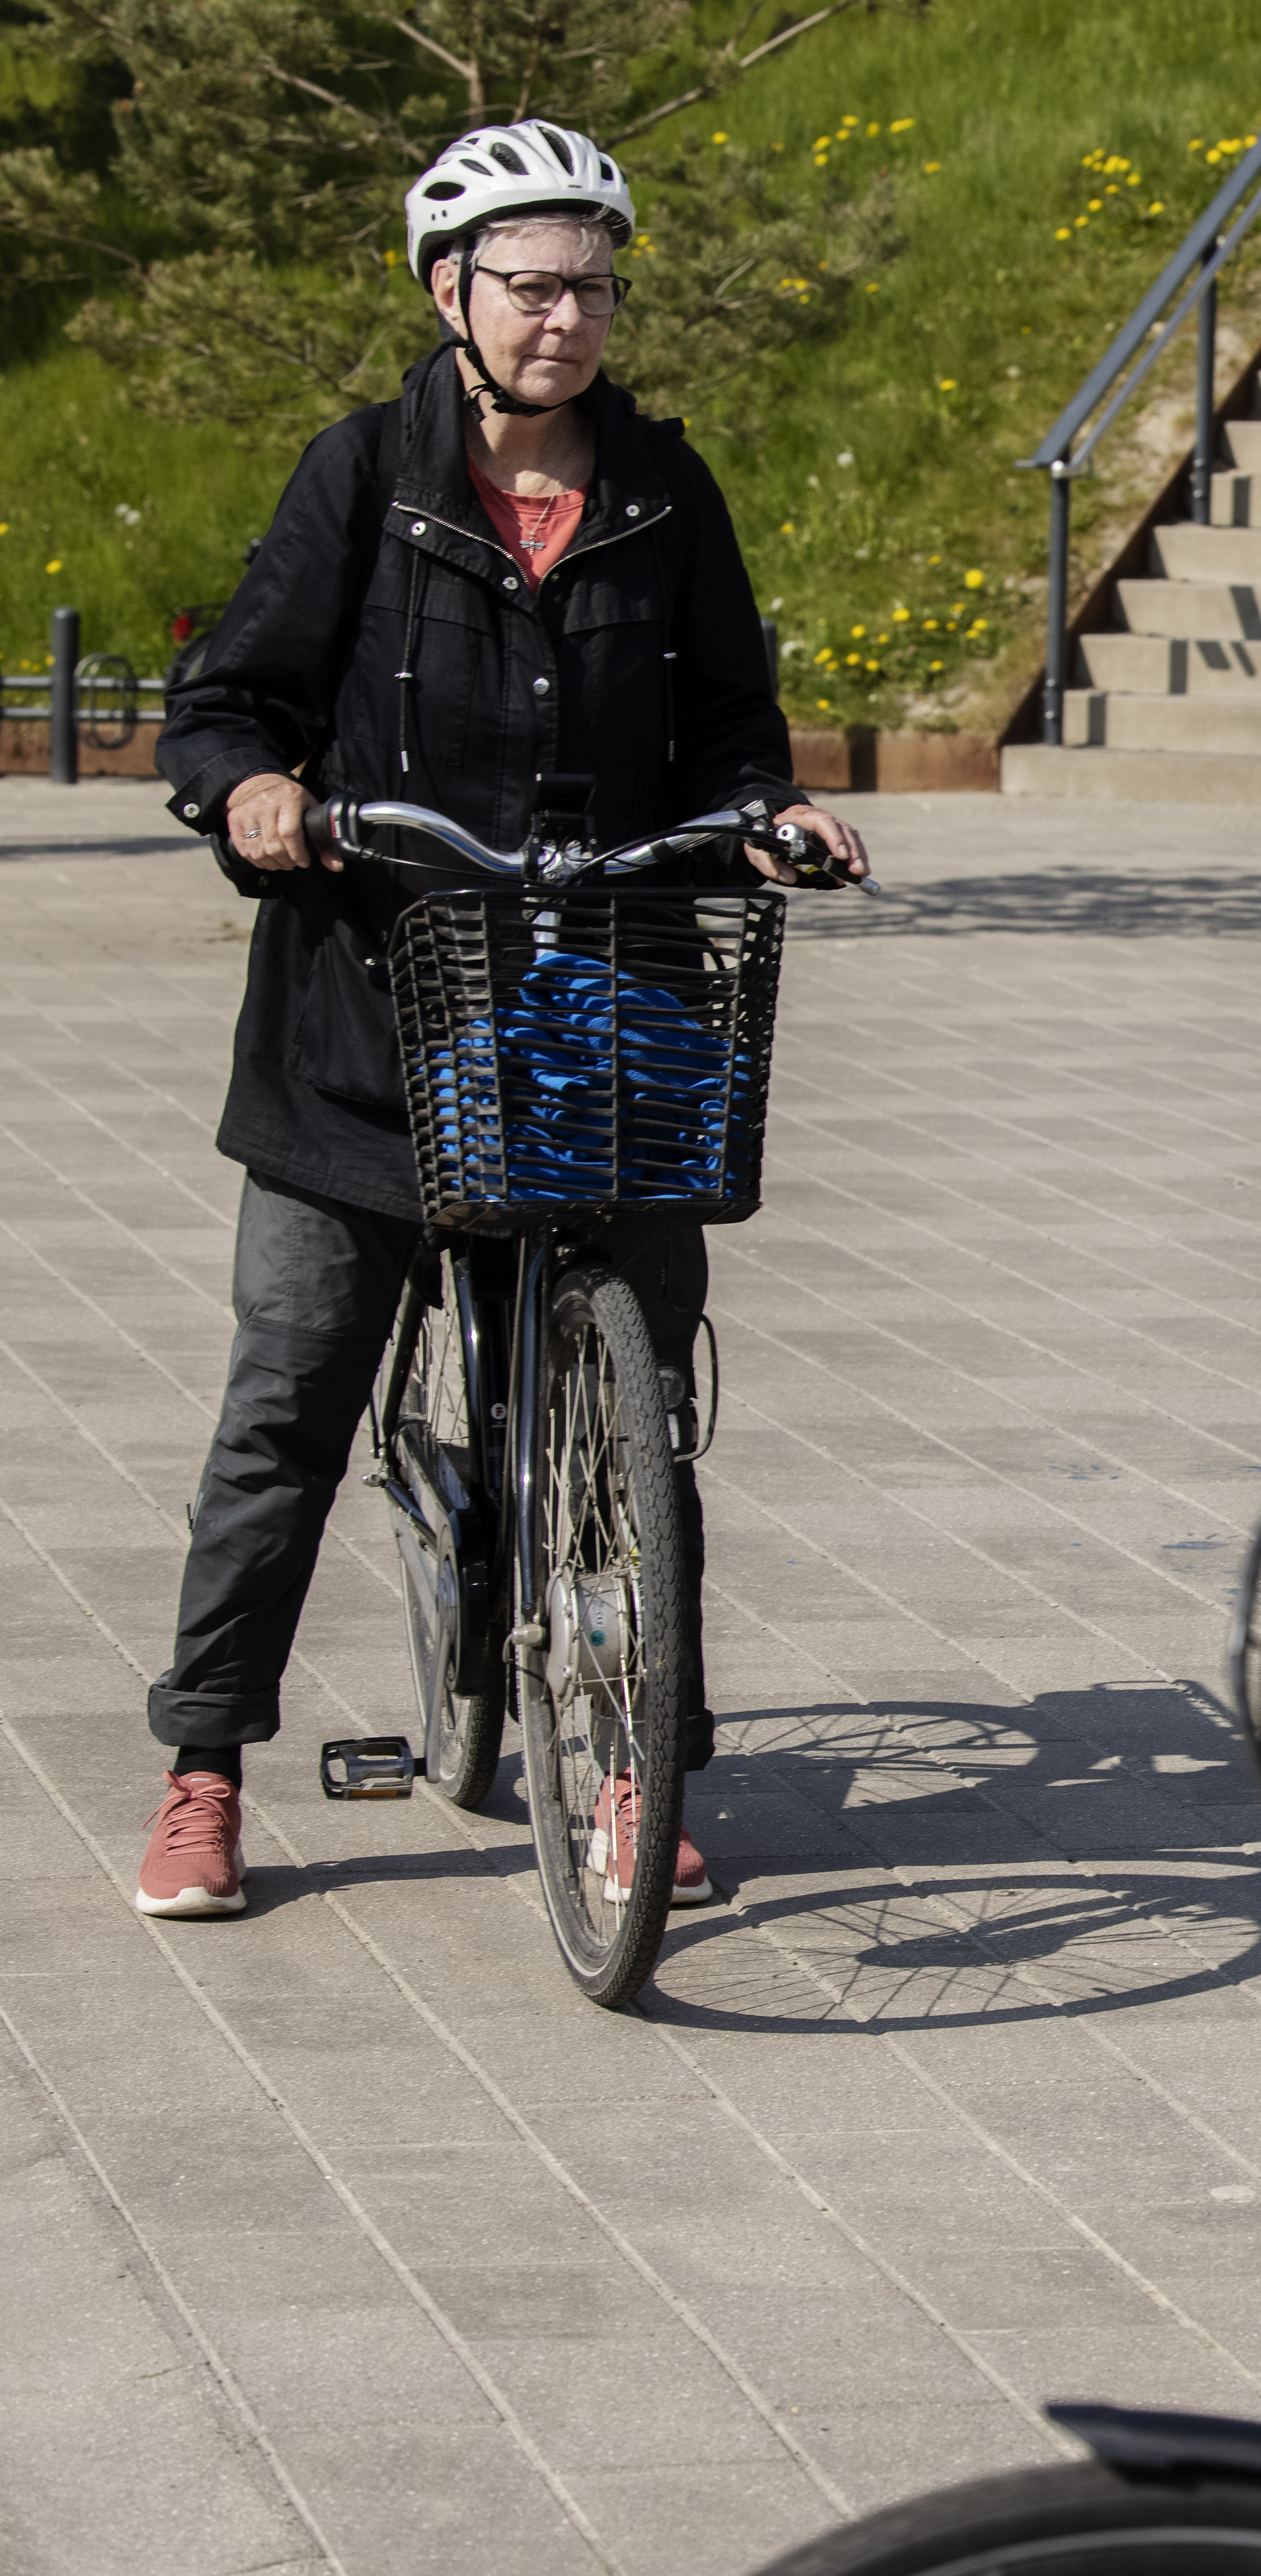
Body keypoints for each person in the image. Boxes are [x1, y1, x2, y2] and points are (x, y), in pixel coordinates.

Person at [135, 120, 862, 1920]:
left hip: (598, 1009)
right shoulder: (363, 478)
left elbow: (729, 724)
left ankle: (638, 1756)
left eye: (594, 285)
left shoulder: (665, 491)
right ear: (450, 292)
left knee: (642, 1399)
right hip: (366, 1016)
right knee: (290, 1392)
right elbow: (228, 696)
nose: (567, 318)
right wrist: (251, 795)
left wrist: (767, 811)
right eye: (532, 285)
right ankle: (205, 1762)